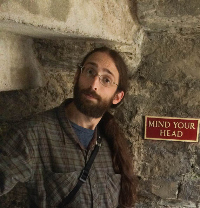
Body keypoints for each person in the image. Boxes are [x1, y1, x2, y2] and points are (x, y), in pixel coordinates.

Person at [0, 46, 137, 207]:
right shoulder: (32, 135)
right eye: (90, 72)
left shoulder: (111, 141)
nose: (94, 84)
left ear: (117, 96)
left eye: (106, 80)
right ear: (77, 76)